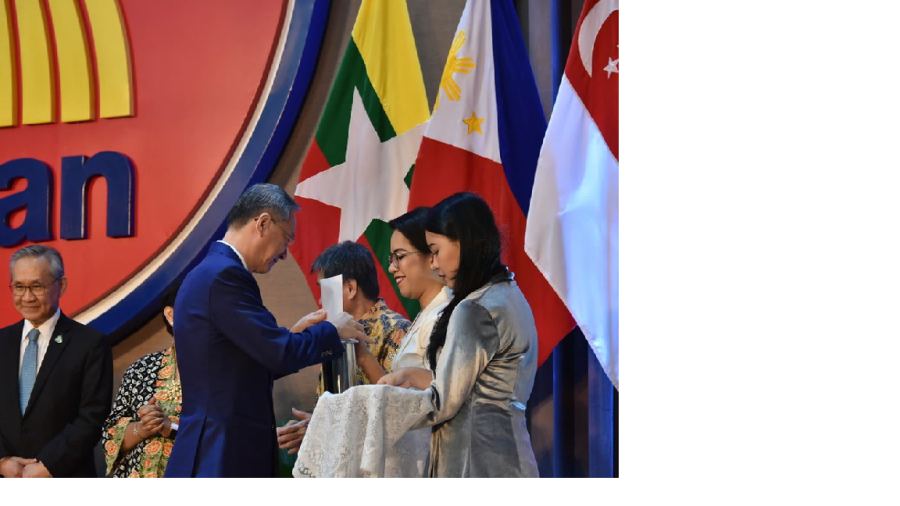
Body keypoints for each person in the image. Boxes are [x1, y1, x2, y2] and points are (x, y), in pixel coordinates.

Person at [164, 183, 369, 478]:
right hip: (221, 452)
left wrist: (294, 335)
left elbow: (238, 365)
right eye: (287, 238)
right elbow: (278, 354)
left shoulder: (213, 272)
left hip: (218, 446)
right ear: (262, 223)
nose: (285, 254)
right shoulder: (225, 276)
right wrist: (331, 330)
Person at [379, 192, 540, 477]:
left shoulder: (474, 309)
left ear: (462, 242)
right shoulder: (508, 293)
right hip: (507, 456)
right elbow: (478, 388)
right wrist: (415, 376)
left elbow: (442, 404)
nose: (435, 264)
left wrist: (367, 412)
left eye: (436, 250)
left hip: (475, 463)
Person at [0, 245, 113, 478]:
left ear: (61, 285)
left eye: (37, 286)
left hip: (64, 478)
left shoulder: (90, 344)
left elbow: (92, 417)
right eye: (19, 287)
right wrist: (2, 460)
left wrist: (47, 466)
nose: (27, 297)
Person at [101, 280, 184, 477]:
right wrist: (143, 427)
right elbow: (110, 437)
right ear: (171, 315)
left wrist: (170, 428)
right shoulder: (141, 369)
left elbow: (228, 437)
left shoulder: (227, 374)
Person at [311, 241, 410, 392]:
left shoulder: (398, 330)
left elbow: (400, 401)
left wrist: (363, 356)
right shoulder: (336, 333)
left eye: (325, 291)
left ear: (350, 288)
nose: (320, 300)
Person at [387, 208, 451, 370]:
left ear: (432, 255)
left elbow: (439, 392)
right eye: (392, 259)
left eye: (399, 257)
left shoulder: (441, 317)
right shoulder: (429, 311)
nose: (391, 268)